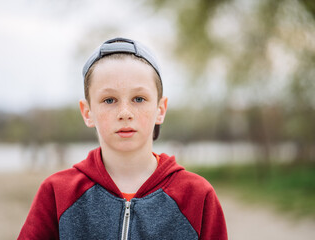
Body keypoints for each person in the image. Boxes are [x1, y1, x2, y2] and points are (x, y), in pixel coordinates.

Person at [18, 37, 227, 240]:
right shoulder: (57, 193)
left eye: (139, 99)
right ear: (87, 112)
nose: (125, 113)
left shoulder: (197, 196)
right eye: (109, 100)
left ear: (160, 109)